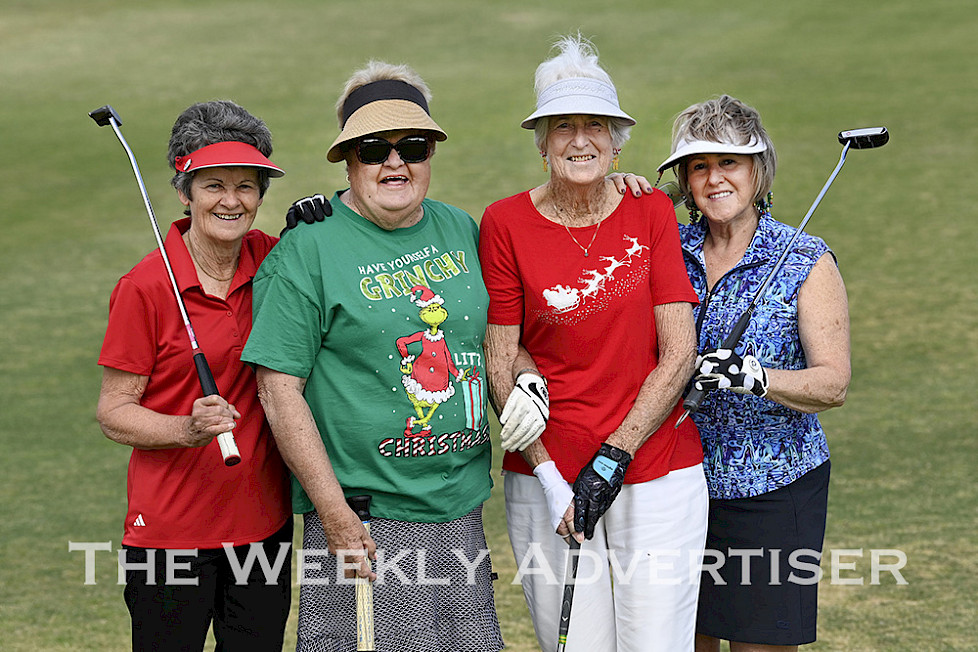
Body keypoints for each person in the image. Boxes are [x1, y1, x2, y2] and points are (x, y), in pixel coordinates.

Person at [240, 61, 504, 652]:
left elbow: (493, 343)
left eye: (411, 146)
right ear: (347, 160)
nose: (395, 163)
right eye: (372, 150)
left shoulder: (461, 229)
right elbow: (278, 390)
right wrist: (333, 514)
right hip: (363, 520)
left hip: (459, 506)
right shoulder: (307, 247)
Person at [479, 35, 709, 652]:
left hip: (656, 468)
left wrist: (615, 455)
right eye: (563, 127)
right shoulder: (505, 223)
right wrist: (554, 477)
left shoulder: (651, 208)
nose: (580, 140)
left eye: (595, 126)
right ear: (542, 139)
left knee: (657, 642)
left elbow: (678, 349)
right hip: (545, 478)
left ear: (616, 139)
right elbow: (500, 355)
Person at [96, 100, 295, 650]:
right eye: (213, 185)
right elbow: (114, 412)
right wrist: (186, 429)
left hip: (263, 527)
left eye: (247, 186)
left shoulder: (279, 263)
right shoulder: (144, 287)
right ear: (185, 191)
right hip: (169, 536)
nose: (231, 201)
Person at [656, 94, 851, 652]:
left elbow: (833, 383)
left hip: (773, 490)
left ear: (759, 172)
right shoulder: (670, 248)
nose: (715, 179)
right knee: (682, 639)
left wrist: (754, 374)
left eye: (729, 163)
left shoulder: (806, 259)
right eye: (699, 166)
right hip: (680, 484)